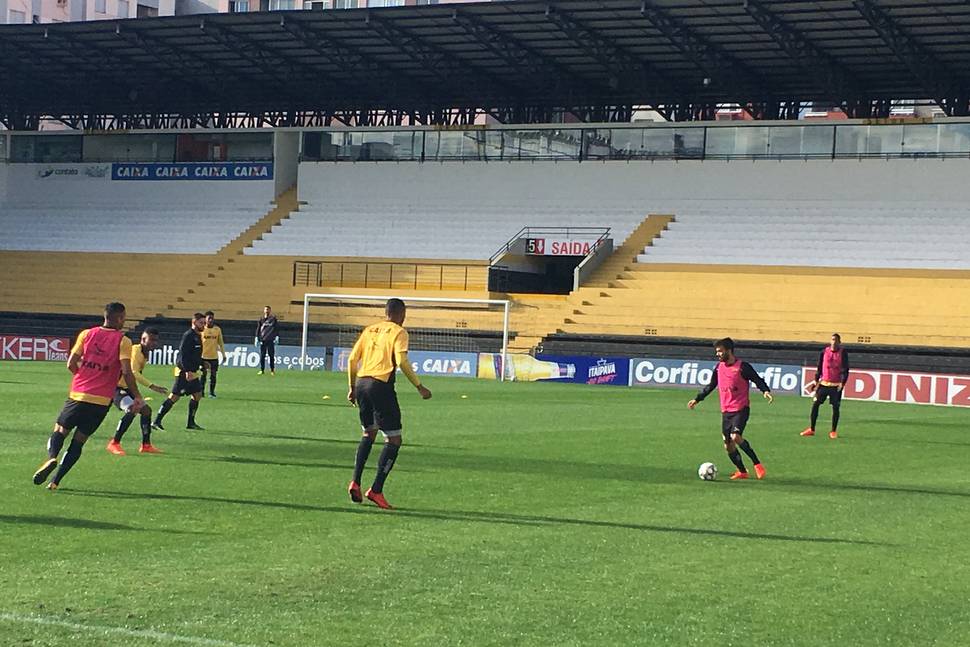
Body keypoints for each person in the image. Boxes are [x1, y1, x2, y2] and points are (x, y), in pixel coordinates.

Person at [32, 302, 145, 490]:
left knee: (60, 430)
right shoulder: (123, 341)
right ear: (119, 318)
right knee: (79, 441)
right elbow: (126, 371)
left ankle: (52, 458)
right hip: (101, 401)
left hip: (79, 394)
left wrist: (83, 376)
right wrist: (137, 396)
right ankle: (55, 481)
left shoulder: (87, 334)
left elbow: (70, 363)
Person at [347, 298, 432, 509]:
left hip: (362, 383)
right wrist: (419, 386)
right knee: (394, 439)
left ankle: (355, 481)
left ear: (386, 312)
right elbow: (401, 361)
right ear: (401, 314)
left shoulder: (369, 329)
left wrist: (352, 387)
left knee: (368, 433)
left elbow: (352, 359)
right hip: (380, 385)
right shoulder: (399, 332)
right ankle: (376, 490)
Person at [688, 337, 773, 480]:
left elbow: (757, 379)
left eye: (720, 351)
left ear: (729, 351)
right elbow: (711, 386)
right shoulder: (718, 368)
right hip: (726, 411)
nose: (718, 354)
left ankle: (757, 464)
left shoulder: (742, 367)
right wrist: (697, 399)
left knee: (736, 436)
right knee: (728, 444)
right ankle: (742, 471)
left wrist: (765, 391)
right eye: (717, 351)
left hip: (741, 409)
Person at [106, 328, 168, 455]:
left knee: (146, 411)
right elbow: (133, 372)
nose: (154, 343)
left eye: (156, 340)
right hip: (116, 387)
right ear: (143, 339)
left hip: (127, 388)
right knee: (132, 408)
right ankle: (114, 443)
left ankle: (146, 445)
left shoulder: (144, 353)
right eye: (151, 340)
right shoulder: (135, 351)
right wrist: (152, 386)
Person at [153, 313, 205, 431]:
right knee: (174, 397)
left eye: (204, 323)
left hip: (192, 372)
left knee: (197, 395)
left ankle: (191, 423)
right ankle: (156, 421)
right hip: (184, 372)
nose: (203, 325)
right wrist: (187, 371)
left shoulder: (197, 336)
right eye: (201, 322)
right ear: (194, 322)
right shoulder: (188, 335)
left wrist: (202, 363)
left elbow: (195, 354)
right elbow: (182, 355)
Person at [801, 333, 849, 439]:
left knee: (835, 407)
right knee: (815, 404)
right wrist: (816, 380)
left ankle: (833, 431)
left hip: (836, 385)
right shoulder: (824, 352)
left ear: (839, 342)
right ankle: (812, 429)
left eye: (835, 340)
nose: (833, 342)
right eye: (832, 339)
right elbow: (819, 367)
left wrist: (843, 382)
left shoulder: (843, 353)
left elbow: (845, 369)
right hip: (824, 383)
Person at [199, 311, 226, 397]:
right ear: (205, 319)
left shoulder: (217, 329)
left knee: (213, 375)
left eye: (212, 318)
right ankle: (201, 392)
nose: (211, 320)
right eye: (209, 318)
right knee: (203, 375)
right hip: (203, 357)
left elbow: (221, 343)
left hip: (214, 357)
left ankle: (212, 393)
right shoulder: (202, 329)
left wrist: (223, 354)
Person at [255, 305, 279, 375]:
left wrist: (277, 336)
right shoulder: (261, 319)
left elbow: (276, 328)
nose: (267, 311)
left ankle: (272, 370)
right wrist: (256, 337)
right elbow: (258, 329)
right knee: (262, 355)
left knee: (271, 355)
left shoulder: (273, 319)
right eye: (265, 309)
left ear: (270, 311)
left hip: (270, 340)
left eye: (268, 309)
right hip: (263, 340)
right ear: (264, 310)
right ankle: (262, 370)